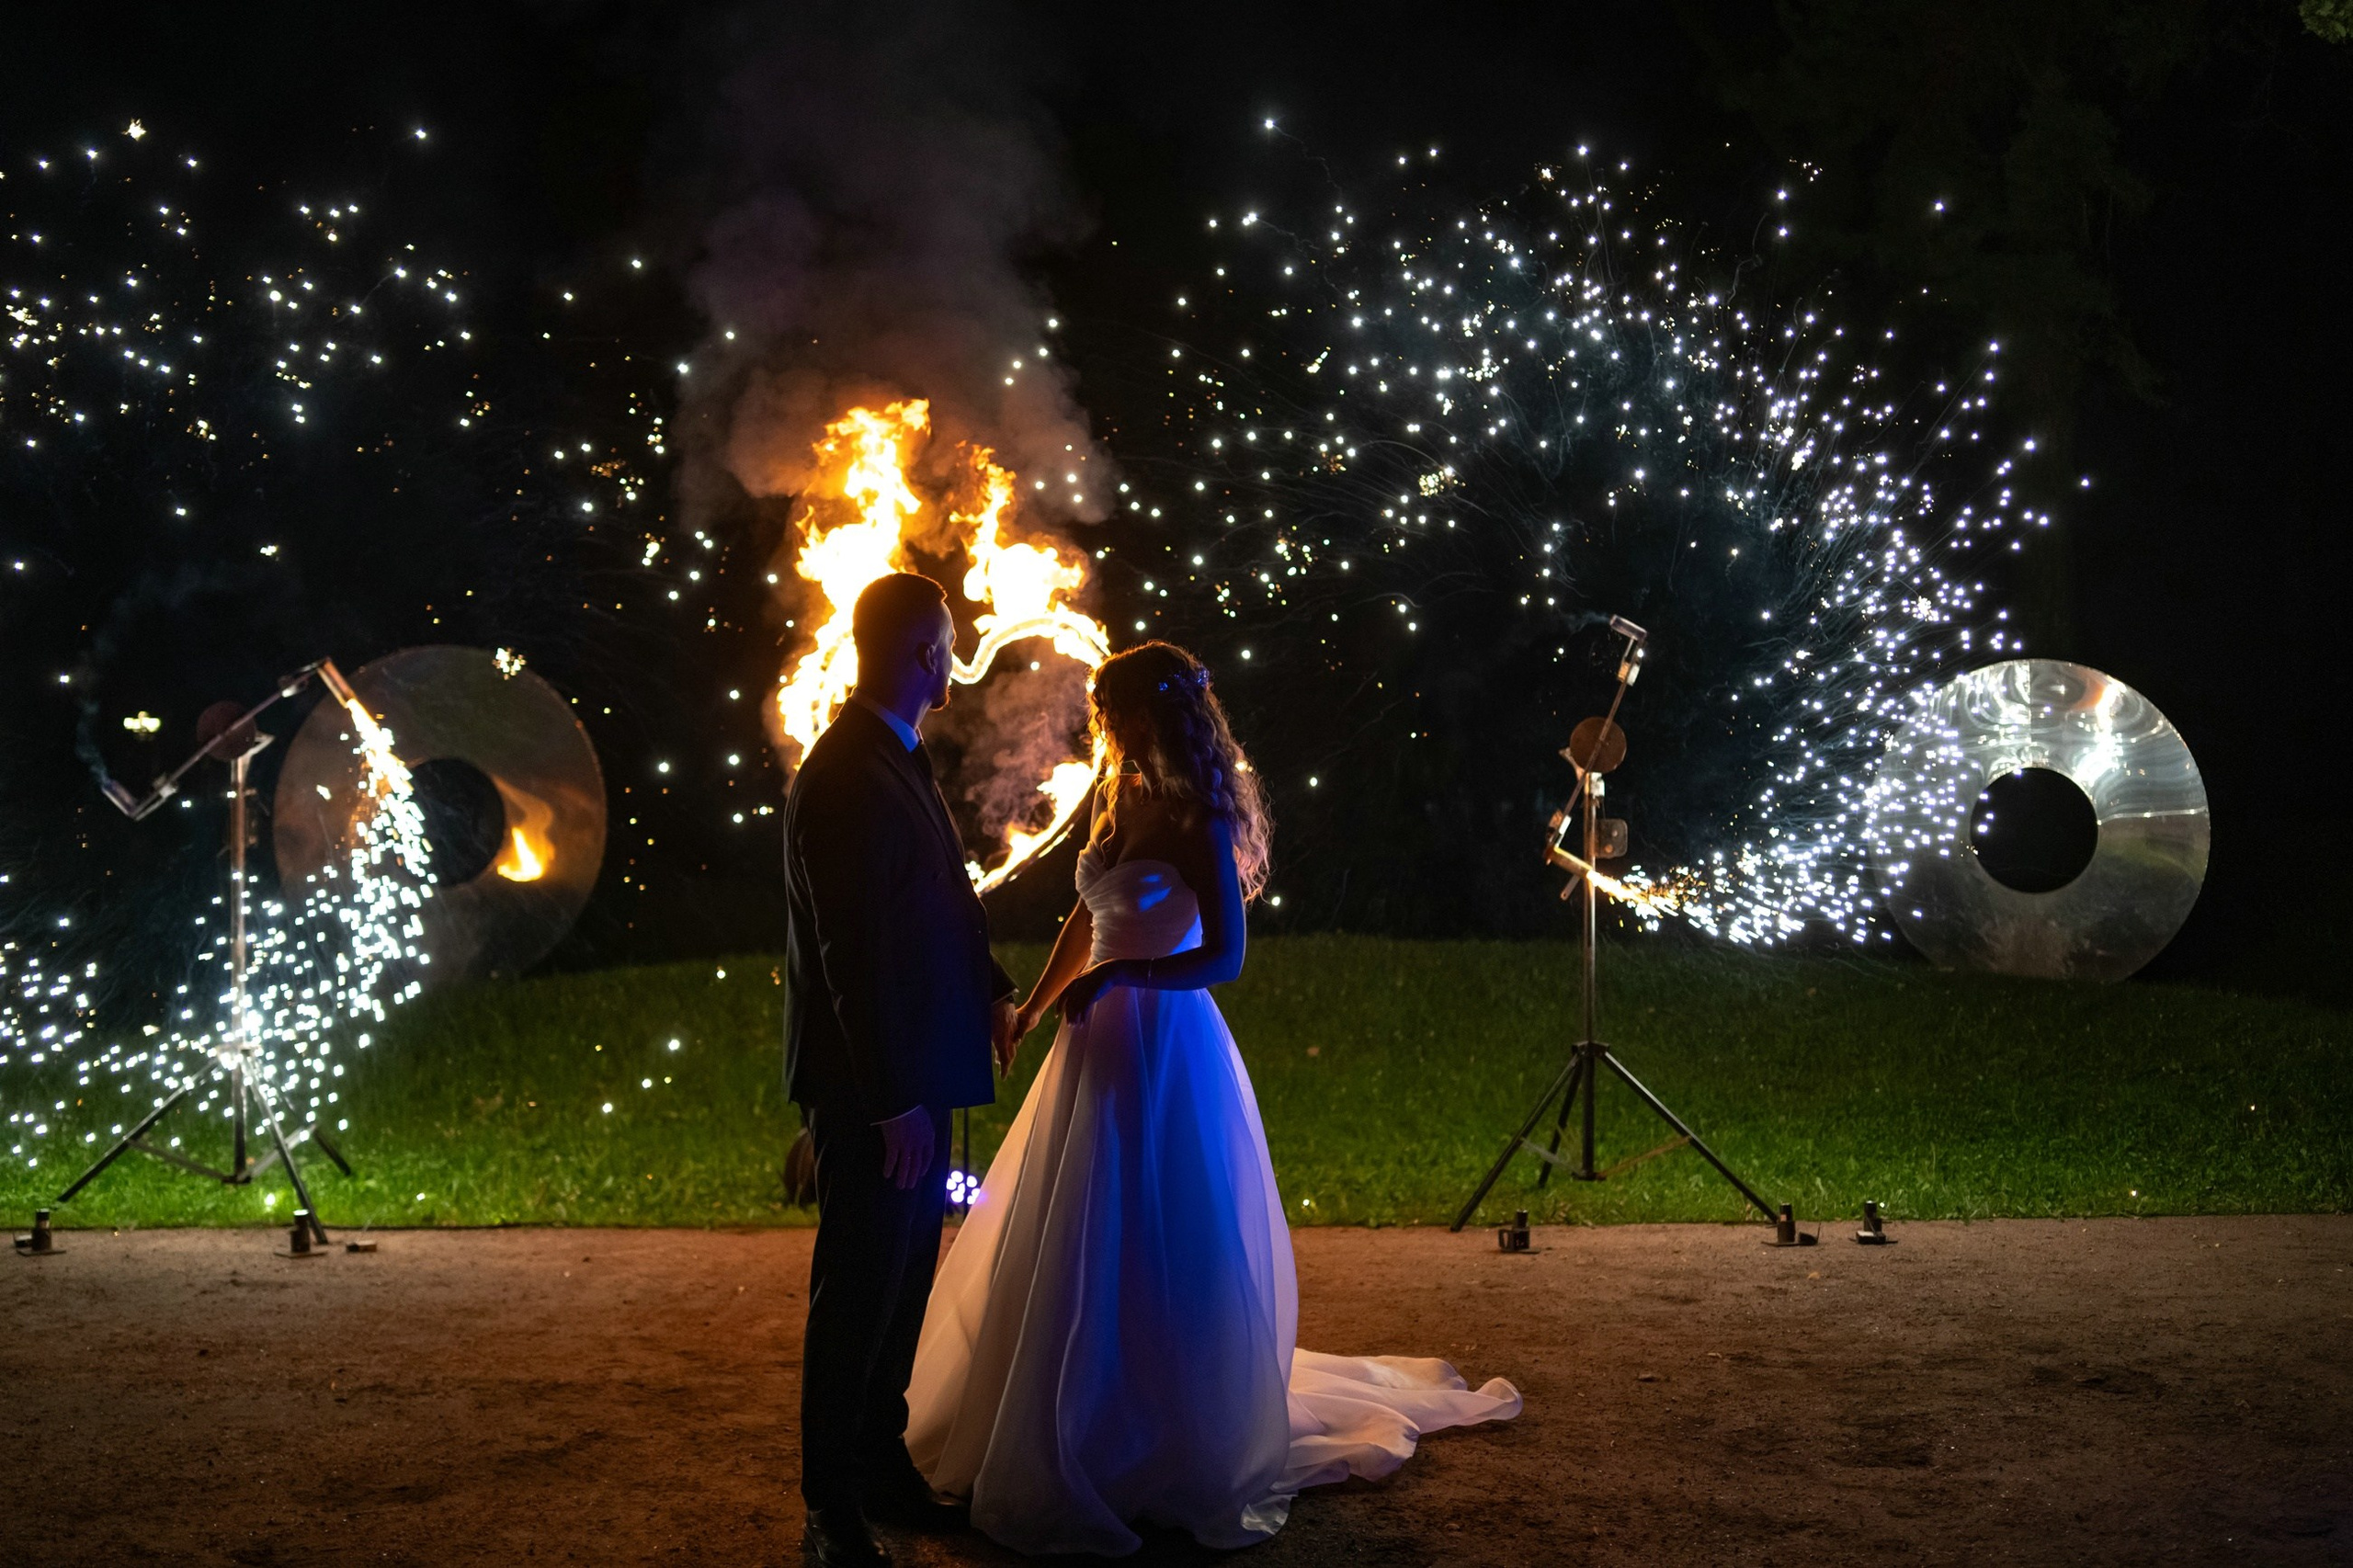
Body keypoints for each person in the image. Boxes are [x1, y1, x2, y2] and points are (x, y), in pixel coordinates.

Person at [904, 641, 1520, 1557]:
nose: (1101, 730)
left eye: (1114, 713)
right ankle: (1066, 1414)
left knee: (1156, 1227)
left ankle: (1159, 1432)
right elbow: (1088, 911)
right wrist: (1035, 1001)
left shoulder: (1205, 812)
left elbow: (1223, 957)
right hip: (1090, 1045)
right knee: (1073, 1229)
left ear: (1152, 715)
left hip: (1162, 1044)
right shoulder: (1118, 792)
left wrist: (1123, 979)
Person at [782, 572, 1020, 1568]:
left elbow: (938, 903)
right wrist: (888, 1103)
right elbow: (853, 951)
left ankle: (880, 1466)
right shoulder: (845, 770)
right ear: (924, 651)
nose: (959, 653)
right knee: (860, 1289)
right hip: (879, 1090)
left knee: (900, 1284)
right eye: (951, 639)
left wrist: (993, 986)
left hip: (914, 1073)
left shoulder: (893, 757)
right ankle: (833, 1497)